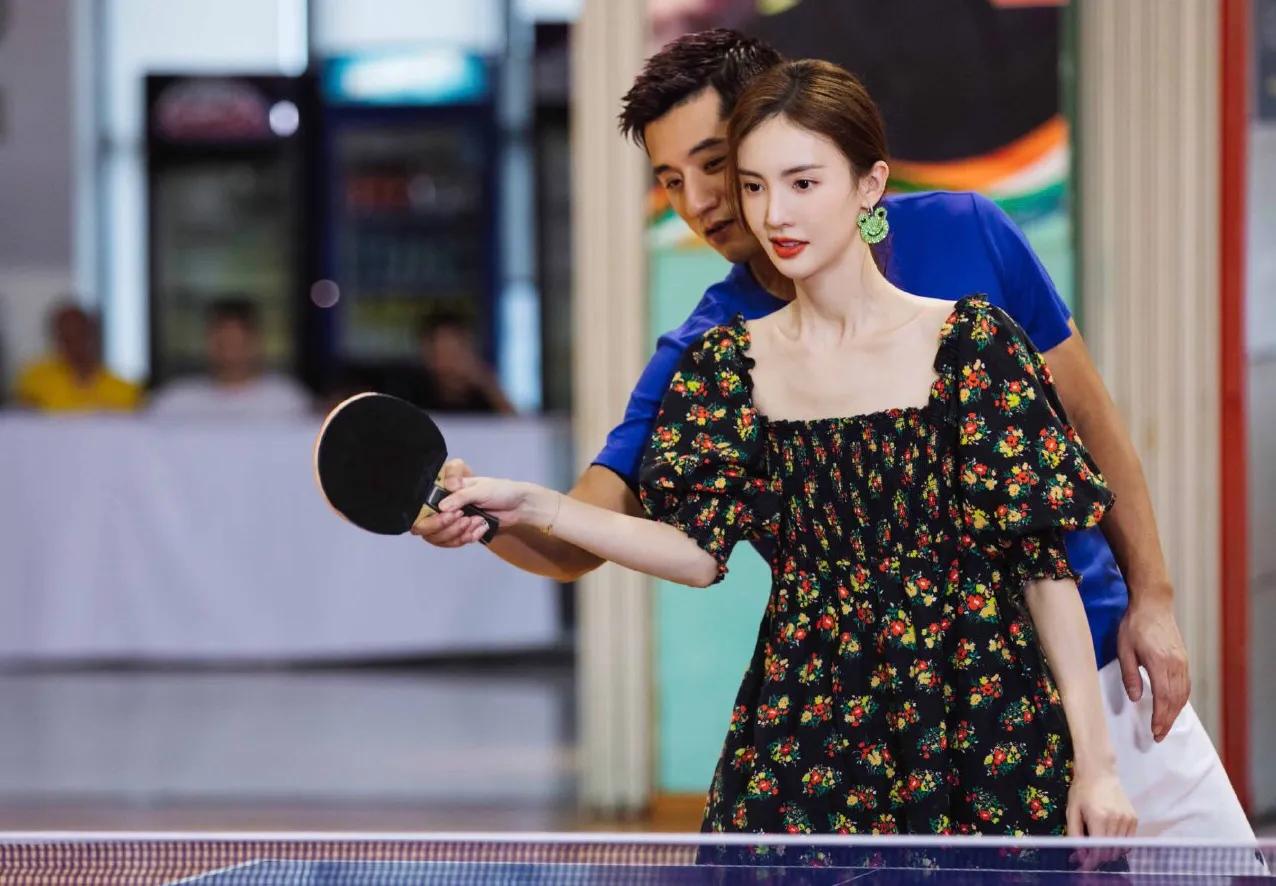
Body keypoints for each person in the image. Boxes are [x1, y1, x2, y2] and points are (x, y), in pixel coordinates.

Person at [416, 30, 1250, 838]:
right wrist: (490, 511)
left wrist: (1153, 600)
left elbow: (1091, 429)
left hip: (1087, 666)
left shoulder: (968, 254)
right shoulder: (712, 356)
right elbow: (630, 537)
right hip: (849, 728)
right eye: (673, 181)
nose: (703, 202)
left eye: (715, 164)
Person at [148, 298, 310, 420]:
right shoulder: (175, 402)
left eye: (237, 341)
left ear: (257, 342)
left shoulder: (287, 401)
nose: (230, 351)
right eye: (222, 342)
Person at [14, 303, 141, 412]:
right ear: (55, 337)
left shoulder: (124, 390)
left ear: (92, 336)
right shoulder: (34, 382)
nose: (73, 344)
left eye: (79, 334)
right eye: (66, 336)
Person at [403, 311, 515, 415]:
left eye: (454, 353)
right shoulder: (411, 391)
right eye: (441, 353)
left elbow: (515, 424)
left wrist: (486, 383)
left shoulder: (484, 393)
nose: (448, 363)